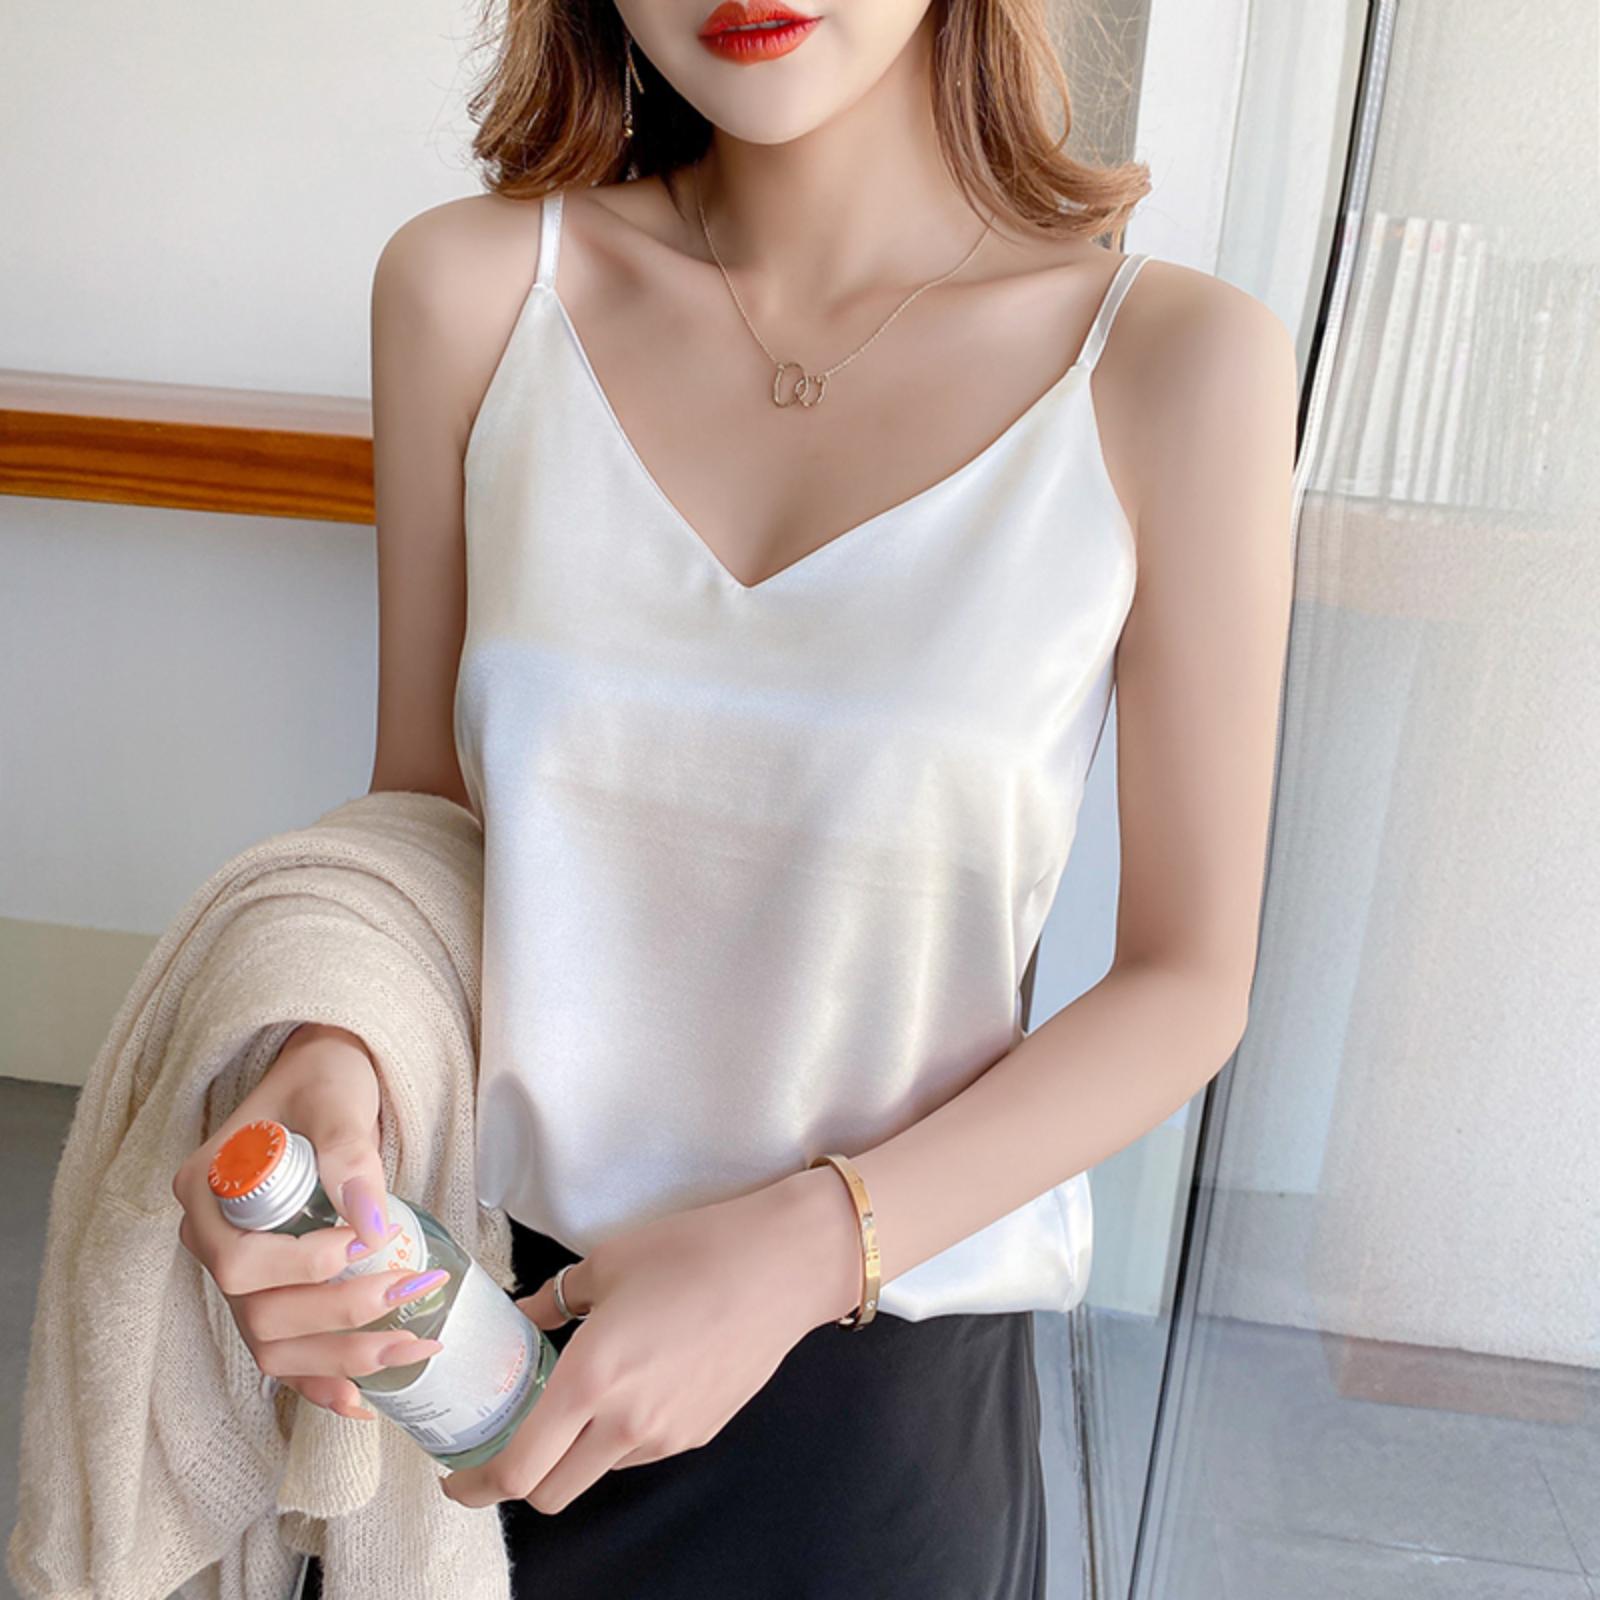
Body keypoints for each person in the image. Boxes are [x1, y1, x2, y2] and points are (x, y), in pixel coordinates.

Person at [171, 0, 1297, 1591]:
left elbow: (1190, 980)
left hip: (878, 1416)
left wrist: (805, 1248)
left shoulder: (1175, 363)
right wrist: (338, 1049)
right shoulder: (472, 291)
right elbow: (423, 821)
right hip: (481, 1347)